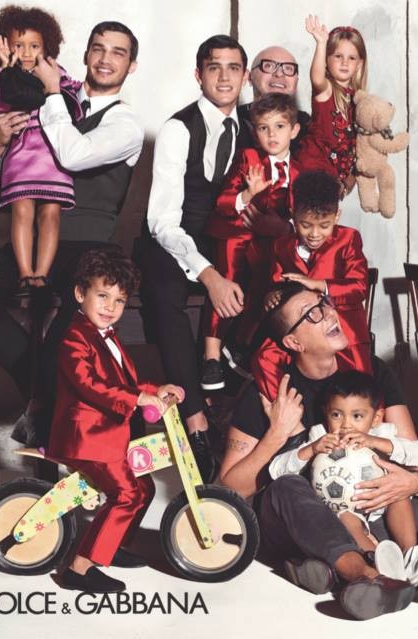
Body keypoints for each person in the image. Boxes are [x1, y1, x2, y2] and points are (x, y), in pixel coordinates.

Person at [0, 21, 144, 446]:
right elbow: (4, 174)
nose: (105, 58)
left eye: (118, 52)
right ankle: (47, 397)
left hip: (89, 248)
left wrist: (50, 95)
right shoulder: (47, 93)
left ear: (131, 66)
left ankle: (52, 410)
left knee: (67, 330)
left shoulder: (124, 123)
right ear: (85, 55)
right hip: (29, 242)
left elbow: (72, 155)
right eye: (98, 48)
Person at [219, 283, 417, 620]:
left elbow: (410, 454)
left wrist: (409, 483)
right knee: (285, 488)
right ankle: (364, 575)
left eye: (323, 304)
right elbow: (230, 489)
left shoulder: (370, 371)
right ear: (294, 343)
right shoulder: (271, 391)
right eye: (311, 314)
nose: (328, 313)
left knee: (406, 497)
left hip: (370, 509)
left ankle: (325, 568)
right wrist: (276, 434)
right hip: (301, 516)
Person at [135, 35, 251, 482]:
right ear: (198, 74)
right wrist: (209, 275)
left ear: (244, 76)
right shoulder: (177, 128)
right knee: (164, 292)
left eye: (233, 67)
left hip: (222, 240)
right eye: (214, 67)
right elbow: (161, 221)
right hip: (170, 241)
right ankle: (196, 419)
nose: (224, 77)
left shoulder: (253, 126)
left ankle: (238, 413)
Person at [49, 249, 184, 593]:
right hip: (86, 437)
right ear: (80, 293)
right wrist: (137, 399)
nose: (110, 307)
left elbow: (123, 383)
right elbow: (89, 384)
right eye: (102, 296)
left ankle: (110, 547)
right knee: (126, 494)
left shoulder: (107, 336)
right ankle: (79, 569)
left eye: (120, 300)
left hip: (107, 435)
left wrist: (155, 390)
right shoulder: (75, 337)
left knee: (145, 488)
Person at [269, 370, 418, 580]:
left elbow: (415, 454)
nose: (346, 425)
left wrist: (377, 443)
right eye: (337, 415)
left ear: (376, 418)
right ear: (326, 413)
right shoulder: (321, 436)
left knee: (399, 492)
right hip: (344, 514)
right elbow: (276, 471)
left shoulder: (381, 434)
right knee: (347, 518)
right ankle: (377, 569)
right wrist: (311, 450)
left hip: (383, 512)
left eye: (357, 416)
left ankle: (410, 556)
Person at [201, 93, 300, 390]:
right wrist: (247, 195)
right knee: (229, 273)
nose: (272, 135)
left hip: (271, 242)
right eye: (263, 128)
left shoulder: (299, 171)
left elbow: (302, 218)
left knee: (274, 278)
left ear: (294, 130)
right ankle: (211, 354)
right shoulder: (249, 158)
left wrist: (285, 227)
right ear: (255, 133)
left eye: (279, 126)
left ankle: (242, 344)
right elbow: (223, 203)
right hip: (237, 233)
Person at [0, 5, 80, 296]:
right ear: (5, 46)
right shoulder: (1, 76)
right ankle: (26, 273)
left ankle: (42, 274)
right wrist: (7, 68)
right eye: (19, 45)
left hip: (52, 156)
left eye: (34, 45)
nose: (26, 52)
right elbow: (1, 102)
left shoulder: (56, 74)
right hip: (21, 155)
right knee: (22, 210)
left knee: (51, 213)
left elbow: (72, 103)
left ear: (47, 46)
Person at [258, 170, 371, 401]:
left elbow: (359, 287)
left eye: (324, 225)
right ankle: (287, 415)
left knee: (361, 391)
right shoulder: (281, 246)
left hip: (345, 331)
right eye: (306, 225)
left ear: (337, 216)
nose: (314, 234)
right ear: (293, 214)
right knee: (264, 356)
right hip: (301, 331)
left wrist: (319, 284)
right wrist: (272, 295)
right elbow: (276, 281)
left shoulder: (349, 239)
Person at [297, 16, 368, 194]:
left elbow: (359, 148)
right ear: (326, 61)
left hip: (336, 180)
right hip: (313, 172)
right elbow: (317, 78)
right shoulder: (327, 90)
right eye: (338, 56)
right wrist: (321, 44)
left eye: (351, 58)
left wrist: (347, 182)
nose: (345, 62)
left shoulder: (359, 101)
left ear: (359, 64)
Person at [238, 46, 310, 154]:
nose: (279, 74)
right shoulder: (234, 120)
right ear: (249, 77)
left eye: (288, 68)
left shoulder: (307, 126)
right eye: (268, 66)